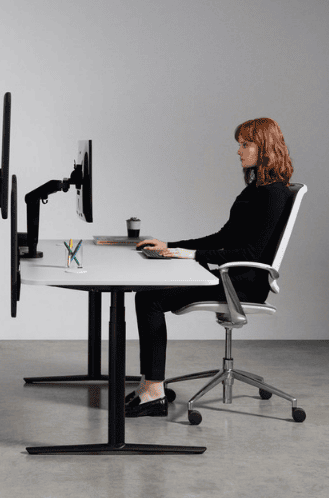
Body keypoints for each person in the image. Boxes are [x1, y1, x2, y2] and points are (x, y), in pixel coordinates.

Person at [126, 117, 294, 418]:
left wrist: (189, 255)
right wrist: (170, 246)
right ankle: (150, 386)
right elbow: (223, 237)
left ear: (264, 147)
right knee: (148, 294)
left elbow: (251, 252)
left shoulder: (274, 194)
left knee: (149, 299)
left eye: (246, 144)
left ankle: (153, 391)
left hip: (243, 283)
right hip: (231, 276)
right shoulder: (255, 190)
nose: (239, 151)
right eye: (239, 144)